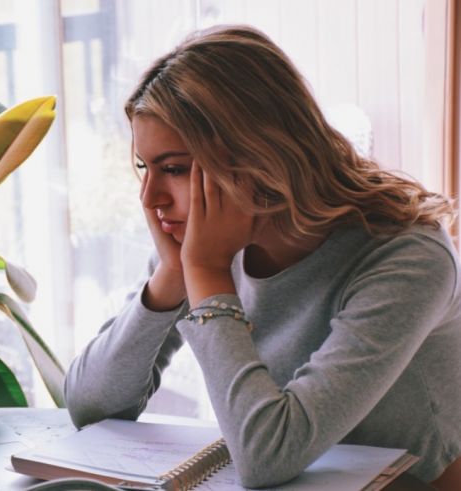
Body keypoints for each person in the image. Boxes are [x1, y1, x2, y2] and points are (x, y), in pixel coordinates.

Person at [64, 25, 461, 489]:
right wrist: (171, 277)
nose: (150, 197)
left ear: (258, 153)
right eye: (144, 168)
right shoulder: (207, 245)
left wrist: (207, 273)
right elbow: (90, 406)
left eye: (173, 169)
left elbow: (267, 456)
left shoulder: (408, 259)